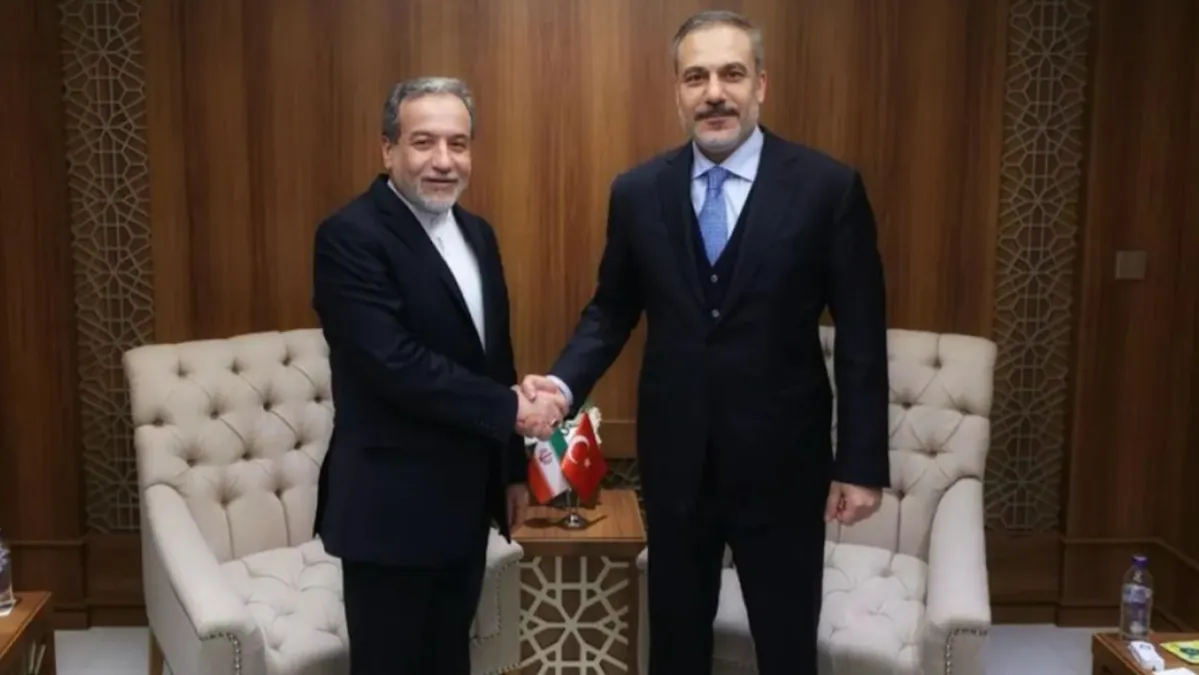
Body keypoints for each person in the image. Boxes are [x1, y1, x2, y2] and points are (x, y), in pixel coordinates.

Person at [521, 11, 890, 674]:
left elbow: (862, 333)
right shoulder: (637, 193)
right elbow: (610, 311)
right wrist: (561, 386)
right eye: (696, 77)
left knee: (786, 648)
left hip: (785, 466)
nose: (714, 92)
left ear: (760, 85)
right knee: (676, 646)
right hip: (676, 465)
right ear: (677, 91)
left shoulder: (826, 188)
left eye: (731, 74)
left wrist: (860, 463)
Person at [311, 77, 567, 675]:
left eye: (459, 143)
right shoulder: (349, 236)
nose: (444, 161)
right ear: (388, 149)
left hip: (464, 506)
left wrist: (510, 469)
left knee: (450, 661)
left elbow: (494, 358)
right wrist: (512, 409)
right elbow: (392, 363)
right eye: (424, 142)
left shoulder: (478, 233)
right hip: (389, 511)